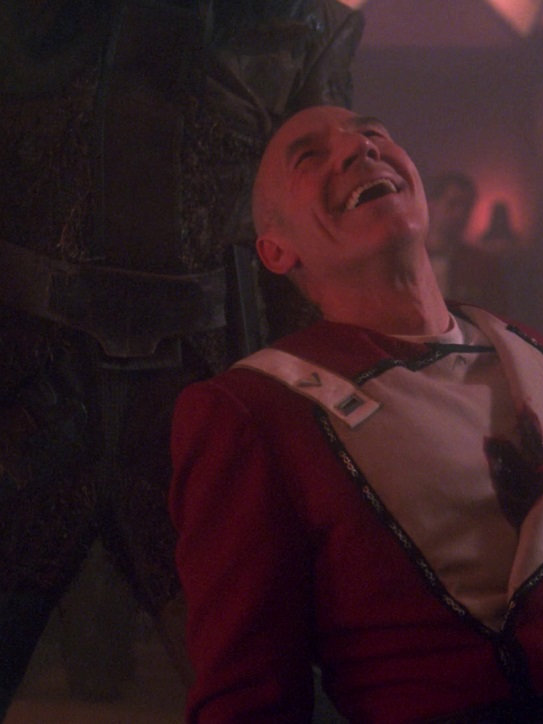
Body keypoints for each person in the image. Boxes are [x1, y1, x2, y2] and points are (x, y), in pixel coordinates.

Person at [168, 105, 543, 723]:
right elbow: (245, 701)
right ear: (275, 250)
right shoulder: (254, 411)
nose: (360, 149)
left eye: (372, 132)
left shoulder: (536, 352)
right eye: (310, 156)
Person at [0, 0, 362, 712]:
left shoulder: (301, 22)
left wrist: (305, 422)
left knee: (263, 686)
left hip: (204, 402)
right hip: (25, 394)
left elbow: (312, 242)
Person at [425, 171, 510, 316]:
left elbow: (498, 317)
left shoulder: (482, 265)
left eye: (467, 206)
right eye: (453, 203)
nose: (460, 214)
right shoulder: (406, 258)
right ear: (432, 205)